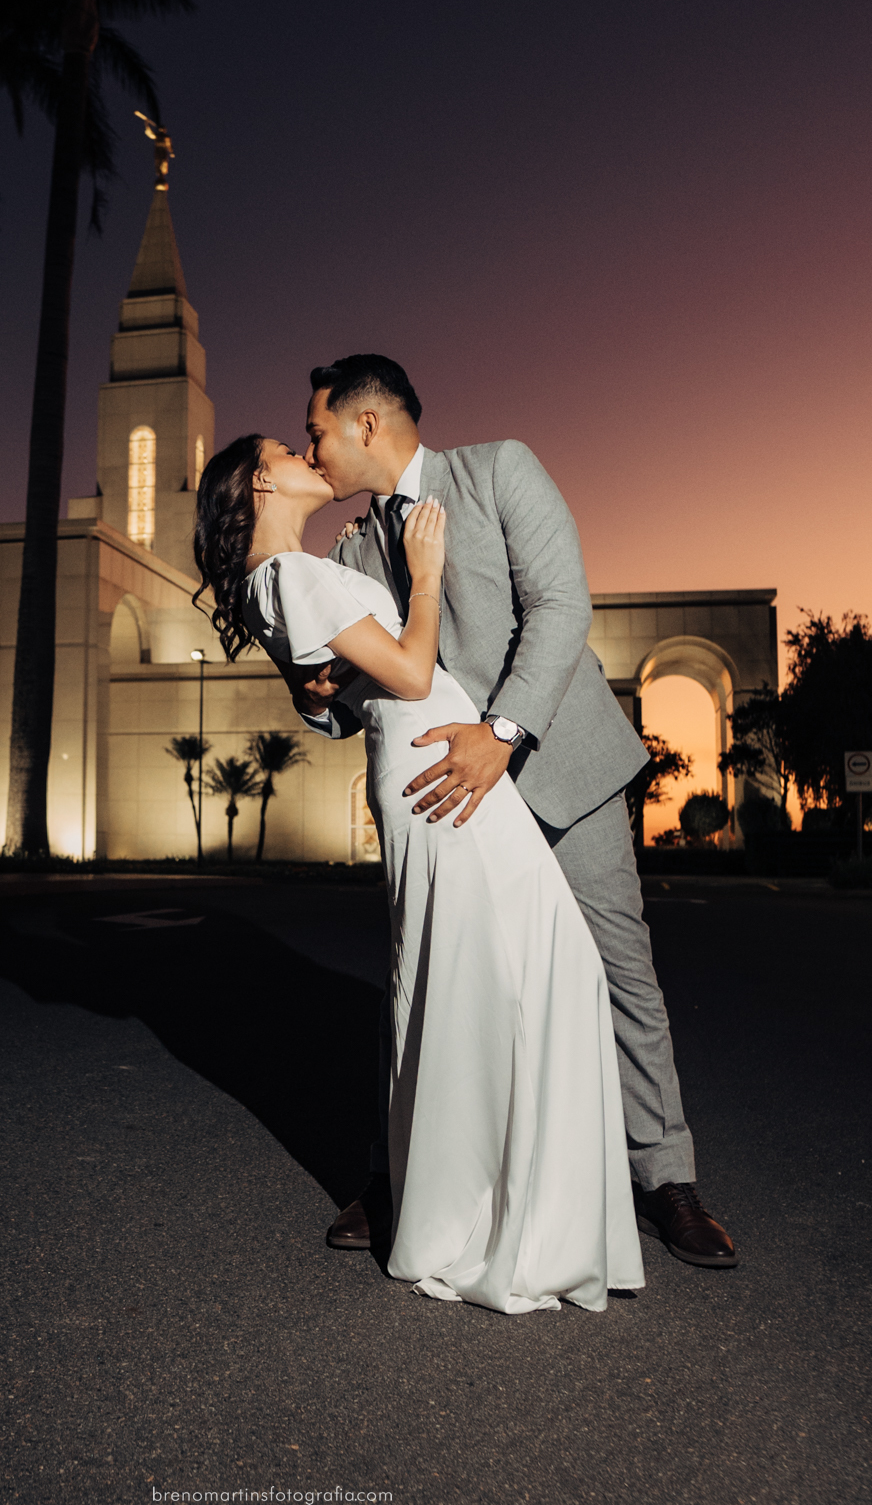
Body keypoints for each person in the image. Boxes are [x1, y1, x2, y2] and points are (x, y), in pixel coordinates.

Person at [294, 353, 736, 1270]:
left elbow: (561, 606)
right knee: (423, 980)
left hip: (558, 771)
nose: (311, 450)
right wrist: (315, 696)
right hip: (448, 798)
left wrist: (501, 733)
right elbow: (351, 696)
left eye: (316, 431)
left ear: (366, 423)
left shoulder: (499, 470)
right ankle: (397, 1175)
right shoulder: (347, 553)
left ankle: (666, 1177)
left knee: (620, 972)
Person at [194, 432, 645, 1312]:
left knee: (494, 974)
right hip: (437, 764)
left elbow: (355, 673)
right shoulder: (292, 575)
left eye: (309, 433)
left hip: (435, 760)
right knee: (517, 972)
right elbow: (407, 673)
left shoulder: (287, 575)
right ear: (259, 482)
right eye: (287, 448)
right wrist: (427, 575)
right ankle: (492, 1212)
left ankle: (501, 1198)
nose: (304, 450)